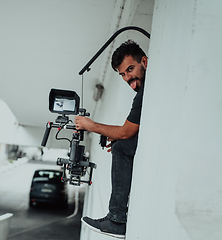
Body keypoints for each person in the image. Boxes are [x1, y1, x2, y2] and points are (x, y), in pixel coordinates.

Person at [75, 40, 147, 239]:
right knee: (121, 145)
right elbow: (128, 132)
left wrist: (91, 126)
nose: (127, 77)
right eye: (123, 74)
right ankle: (115, 219)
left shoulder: (144, 94)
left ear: (145, 62)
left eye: (130, 69)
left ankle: (116, 220)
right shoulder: (143, 92)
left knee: (121, 146)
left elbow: (126, 132)